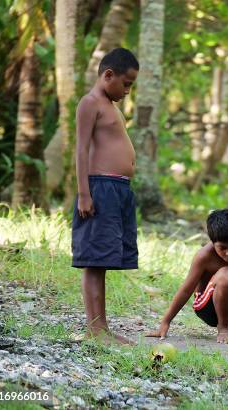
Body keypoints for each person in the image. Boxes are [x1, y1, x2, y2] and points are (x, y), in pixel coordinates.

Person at [72, 48, 139, 345]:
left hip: (119, 190)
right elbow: (81, 149)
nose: (127, 91)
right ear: (108, 75)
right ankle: (94, 328)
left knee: (104, 258)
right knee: (94, 259)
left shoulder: (111, 105)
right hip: (99, 187)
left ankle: (103, 327)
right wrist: (84, 193)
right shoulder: (90, 103)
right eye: (125, 84)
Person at [147, 209, 228, 343]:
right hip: (207, 309)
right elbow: (186, 290)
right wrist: (165, 322)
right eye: (223, 248)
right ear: (212, 242)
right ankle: (224, 326)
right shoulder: (204, 256)